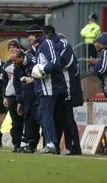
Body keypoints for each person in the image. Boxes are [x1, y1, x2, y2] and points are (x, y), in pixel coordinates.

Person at [31, 24, 65, 154]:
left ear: (36, 35)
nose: (29, 40)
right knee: (43, 116)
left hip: (49, 88)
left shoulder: (47, 44)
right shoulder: (39, 47)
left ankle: (51, 144)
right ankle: (51, 143)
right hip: (42, 88)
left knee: (46, 116)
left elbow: (55, 62)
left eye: (30, 37)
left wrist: (43, 71)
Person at [42, 25, 76, 155]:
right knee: (55, 117)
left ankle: (70, 146)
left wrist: (48, 68)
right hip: (53, 86)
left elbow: (62, 63)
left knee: (66, 117)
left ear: (50, 33)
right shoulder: (48, 45)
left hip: (65, 85)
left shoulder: (63, 44)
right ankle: (54, 146)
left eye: (45, 35)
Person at [87, 32, 107, 155]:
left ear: (101, 43)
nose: (94, 45)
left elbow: (102, 69)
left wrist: (94, 64)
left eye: (96, 43)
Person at [12, 49, 40, 153]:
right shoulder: (16, 68)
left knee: (38, 121)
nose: (13, 63)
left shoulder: (33, 63)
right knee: (29, 121)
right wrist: (19, 101)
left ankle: (48, 144)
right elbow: (17, 85)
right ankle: (31, 145)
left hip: (37, 97)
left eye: (15, 60)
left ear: (21, 58)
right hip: (26, 99)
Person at [2, 39, 24, 152]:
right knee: (15, 120)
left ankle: (27, 142)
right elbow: (4, 82)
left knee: (24, 119)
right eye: (10, 48)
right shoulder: (7, 64)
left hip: (23, 93)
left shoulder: (23, 61)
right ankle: (17, 144)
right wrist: (4, 96)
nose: (11, 49)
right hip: (11, 94)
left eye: (14, 47)